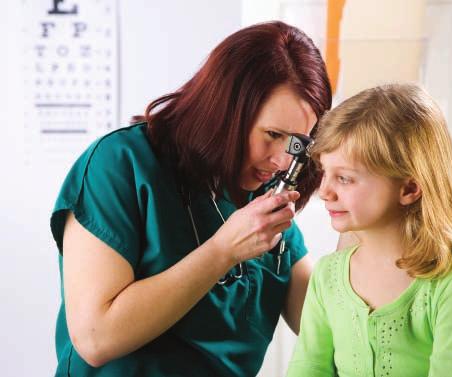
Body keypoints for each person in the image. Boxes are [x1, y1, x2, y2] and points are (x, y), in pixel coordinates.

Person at [50, 21, 332, 377]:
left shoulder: (263, 199)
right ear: (224, 110)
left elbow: (324, 324)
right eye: (272, 134)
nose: (281, 161)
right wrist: (222, 251)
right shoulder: (121, 165)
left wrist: (364, 220)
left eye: (295, 144)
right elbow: (96, 339)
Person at [286, 83, 452, 377]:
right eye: (324, 172)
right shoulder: (327, 276)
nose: (325, 191)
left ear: (409, 188)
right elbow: (308, 368)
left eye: (344, 178)